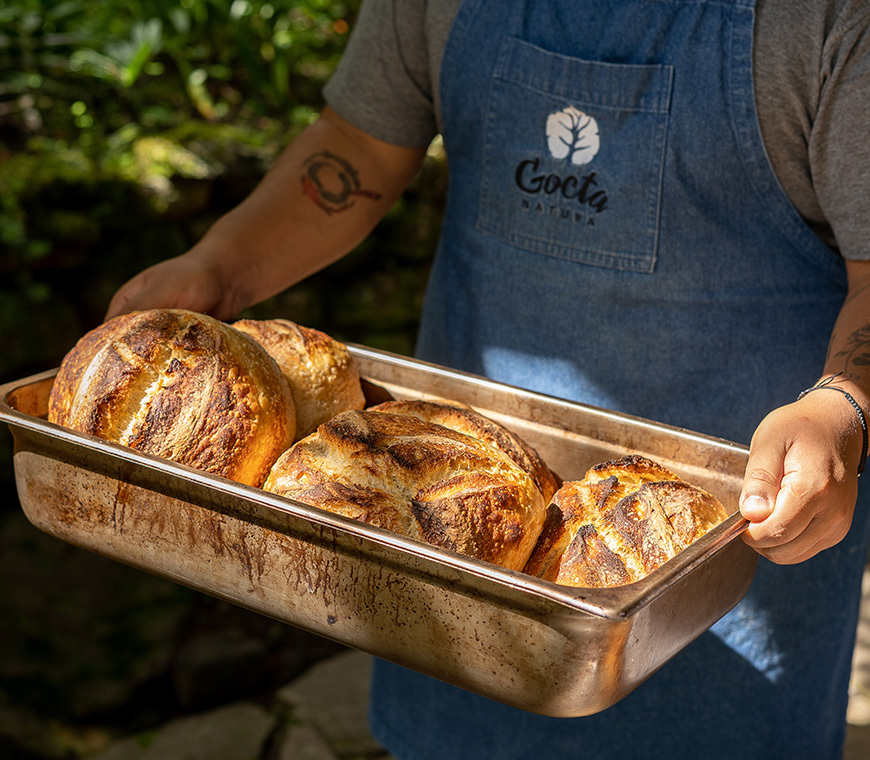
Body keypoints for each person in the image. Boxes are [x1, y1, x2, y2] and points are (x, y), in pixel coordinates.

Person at [106, 0, 870, 757]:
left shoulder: (830, 20)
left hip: (729, 559)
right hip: (448, 539)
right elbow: (359, 145)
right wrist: (219, 270)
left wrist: (845, 406)